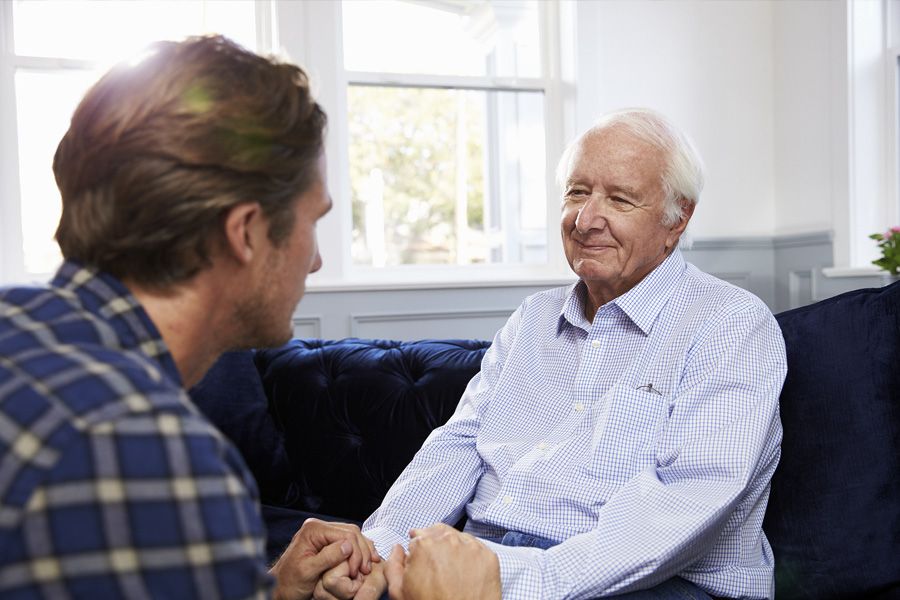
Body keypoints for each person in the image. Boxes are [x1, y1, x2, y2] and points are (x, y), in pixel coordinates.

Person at [323, 108, 787, 600]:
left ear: (678, 218)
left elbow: (686, 504)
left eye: (621, 199)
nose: (587, 220)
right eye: (577, 192)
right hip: (491, 561)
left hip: (656, 583)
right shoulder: (533, 318)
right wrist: (379, 552)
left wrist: (503, 581)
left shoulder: (731, 325)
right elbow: (458, 446)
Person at [0, 35, 381, 599]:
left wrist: (269, 591)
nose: (316, 259)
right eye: (312, 221)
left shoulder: (18, 331)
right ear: (246, 232)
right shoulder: (149, 451)